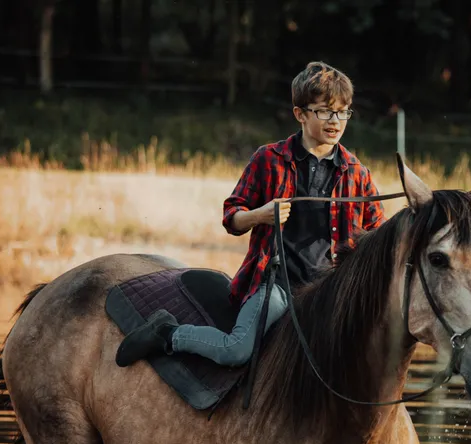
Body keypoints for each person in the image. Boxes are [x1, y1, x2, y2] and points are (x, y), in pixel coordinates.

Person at [116, 61, 387, 368]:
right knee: (236, 351)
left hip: (330, 296)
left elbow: (378, 238)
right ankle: (168, 334)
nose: (335, 120)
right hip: (276, 286)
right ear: (300, 114)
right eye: (324, 110)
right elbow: (231, 217)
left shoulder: (357, 173)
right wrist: (260, 215)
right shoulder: (268, 159)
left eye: (343, 111)